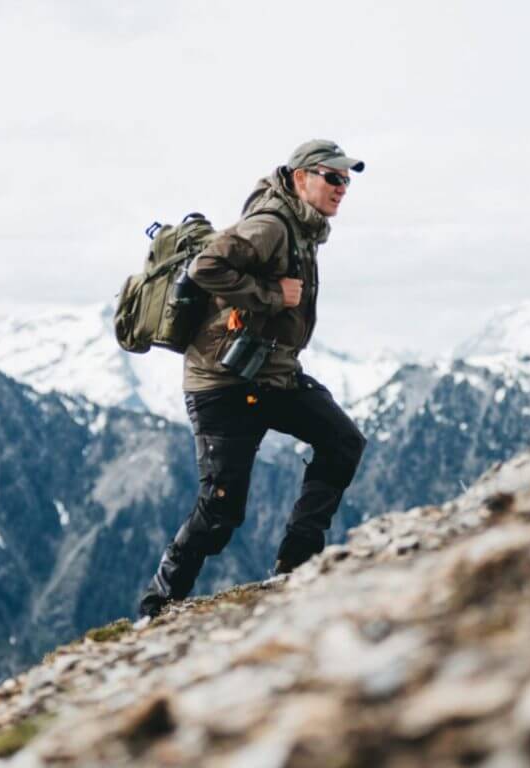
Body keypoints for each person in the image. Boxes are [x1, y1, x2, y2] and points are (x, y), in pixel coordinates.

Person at [137, 139, 368, 619]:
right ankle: (158, 605)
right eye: (333, 177)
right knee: (220, 512)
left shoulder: (304, 228)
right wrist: (270, 294)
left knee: (342, 440)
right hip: (222, 384)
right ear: (301, 177)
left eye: (347, 180)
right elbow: (206, 267)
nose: (342, 187)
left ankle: (296, 564)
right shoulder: (271, 224)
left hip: (271, 374)